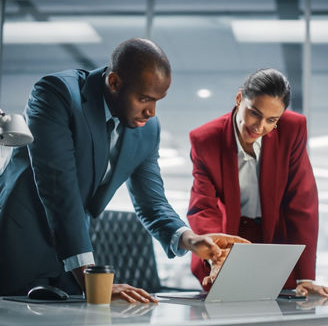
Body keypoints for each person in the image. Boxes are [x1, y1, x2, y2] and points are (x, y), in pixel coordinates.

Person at [0, 38, 247, 303]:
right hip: (17, 245)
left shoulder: (147, 130)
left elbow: (152, 203)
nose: (151, 112)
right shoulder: (56, 93)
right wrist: (91, 280)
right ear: (114, 82)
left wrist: (190, 239)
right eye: (144, 99)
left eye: (158, 101)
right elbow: (59, 188)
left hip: (69, 258)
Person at [187, 68, 328, 297]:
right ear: (239, 98)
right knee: (227, 304)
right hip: (229, 237)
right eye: (254, 113)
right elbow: (203, 207)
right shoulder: (205, 139)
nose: (259, 127)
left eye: (271, 120)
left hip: (275, 239)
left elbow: (301, 204)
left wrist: (305, 277)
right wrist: (214, 253)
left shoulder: (292, 129)